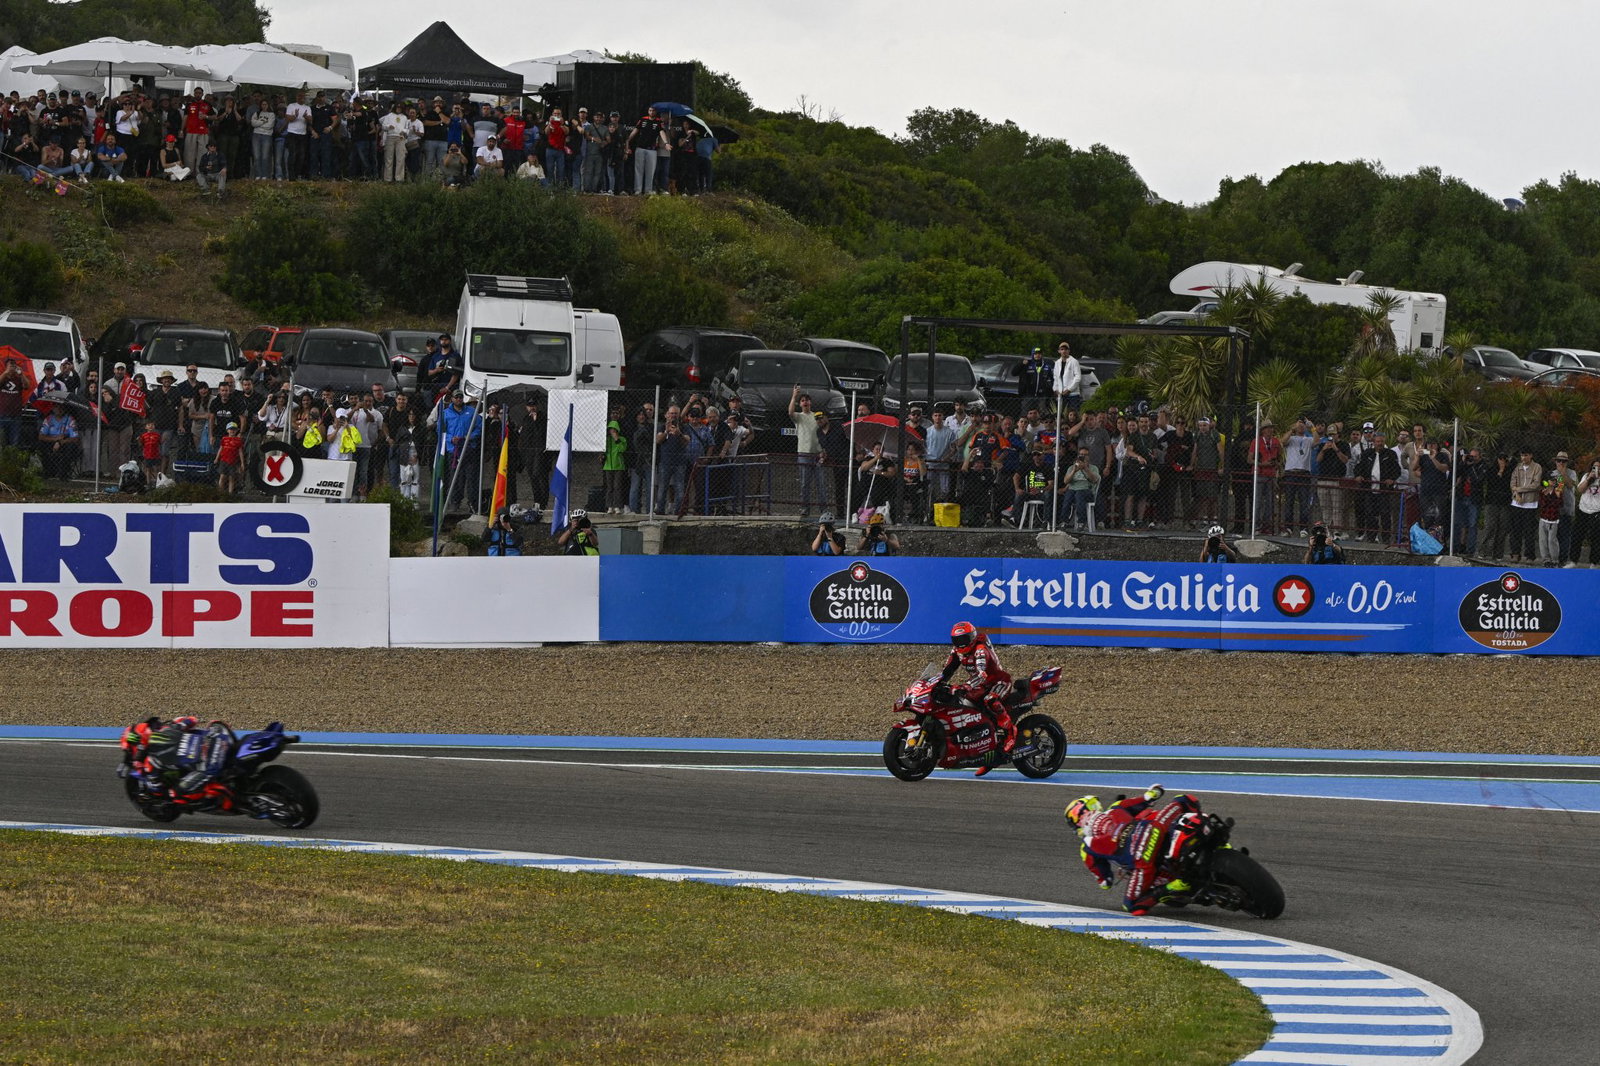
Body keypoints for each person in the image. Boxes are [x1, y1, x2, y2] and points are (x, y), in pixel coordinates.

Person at [1064, 785, 1203, 915]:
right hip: (1156, 827)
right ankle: (1206, 831)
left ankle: (1171, 888)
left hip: (1142, 858)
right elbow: (1149, 797)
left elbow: (1106, 882)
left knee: (1131, 906)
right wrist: (1154, 792)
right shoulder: (1116, 807)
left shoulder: (1087, 846)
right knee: (1183, 799)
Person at [938, 621, 1015, 776]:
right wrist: (937, 684)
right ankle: (987, 753)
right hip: (981, 685)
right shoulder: (957, 652)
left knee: (990, 700)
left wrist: (965, 686)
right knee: (967, 706)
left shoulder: (980, 650)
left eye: (964, 639)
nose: (961, 644)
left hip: (998, 681)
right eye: (957, 640)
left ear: (972, 637)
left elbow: (981, 674)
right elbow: (947, 671)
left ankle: (1010, 733)